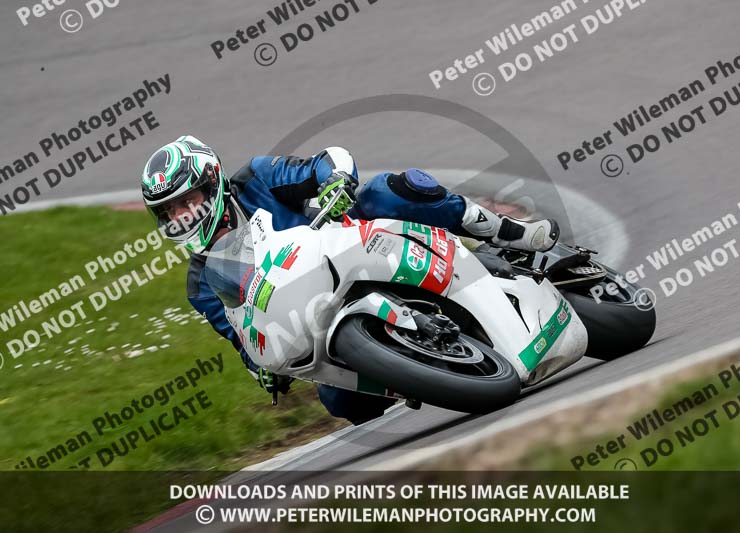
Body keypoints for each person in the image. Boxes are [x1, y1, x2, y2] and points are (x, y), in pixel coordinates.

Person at [141, 135, 559, 425]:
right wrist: (262, 369)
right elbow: (242, 336)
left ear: (212, 183)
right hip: (317, 317)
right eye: (169, 211)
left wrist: (335, 181)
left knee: (391, 190)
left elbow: (327, 160)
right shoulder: (201, 283)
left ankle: (505, 231)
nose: (182, 216)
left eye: (187, 201)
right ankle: (428, 367)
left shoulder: (256, 180)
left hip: (351, 243)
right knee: (340, 401)